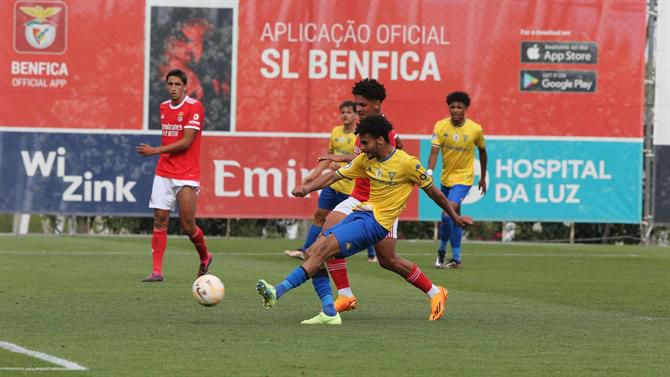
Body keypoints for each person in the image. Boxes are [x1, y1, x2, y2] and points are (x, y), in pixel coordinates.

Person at [256, 114, 473, 324]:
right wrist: (306, 188)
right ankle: (330, 311)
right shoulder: (365, 159)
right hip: (360, 212)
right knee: (315, 251)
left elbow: (433, 192)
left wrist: (454, 215)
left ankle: (278, 291)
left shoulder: (407, 164)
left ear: (380, 140)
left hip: (376, 223)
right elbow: (334, 176)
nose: (362, 147)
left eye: (366, 143)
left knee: (325, 249)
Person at [136, 68, 213, 282]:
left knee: (188, 225)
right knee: (160, 219)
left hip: (186, 173)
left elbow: (187, 142)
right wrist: (159, 154)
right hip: (164, 171)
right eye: (169, 84)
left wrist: (154, 151)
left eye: (177, 84)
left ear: (185, 86)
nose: (173, 88)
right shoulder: (163, 107)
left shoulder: (194, 107)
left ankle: (205, 256)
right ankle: (157, 271)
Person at [283, 101, 377, 262]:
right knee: (319, 215)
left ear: (355, 115)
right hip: (332, 184)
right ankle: (305, 250)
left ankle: (372, 254)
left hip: (349, 186)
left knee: (360, 218)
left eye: (349, 112)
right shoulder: (335, 132)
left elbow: (360, 161)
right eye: (343, 112)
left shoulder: (360, 135)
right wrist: (313, 176)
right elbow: (328, 157)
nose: (345, 115)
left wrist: (340, 164)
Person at [426, 91, 487, 269]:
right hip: (446, 179)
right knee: (453, 218)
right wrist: (429, 172)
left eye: (459, 107)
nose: (455, 110)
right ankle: (456, 259)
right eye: (452, 107)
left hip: (464, 179)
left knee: (447, 215)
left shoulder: (475, 129)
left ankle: (442, 250)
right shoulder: (440, 126)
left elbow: (483, 151)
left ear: (466, 109)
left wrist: (482, 177)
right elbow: (434, 152)